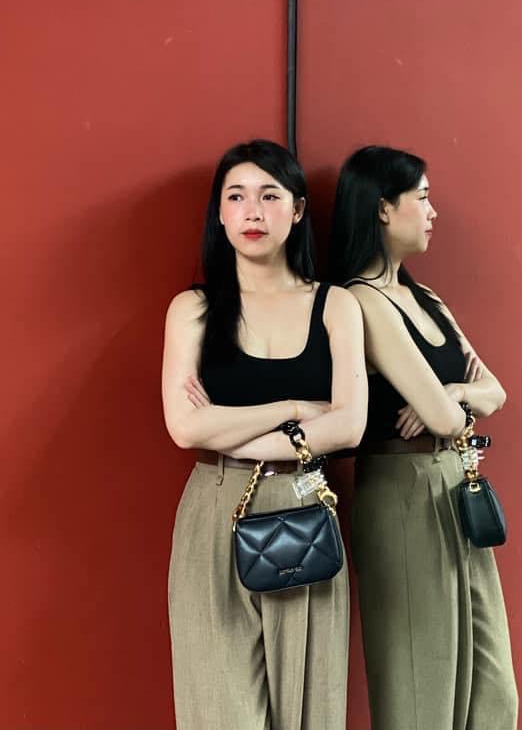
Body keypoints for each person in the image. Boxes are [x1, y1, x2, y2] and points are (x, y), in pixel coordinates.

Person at [162, 139, 367, 730]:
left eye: (270, 196)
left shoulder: (336, 305)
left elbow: (349, 424)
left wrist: (227, 430)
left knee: (309, 706)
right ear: (220, 213)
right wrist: (295, 408)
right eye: (237, 196)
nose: (253, 211)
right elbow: (184, 427)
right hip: (214, 508)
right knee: (216, 705)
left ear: (297, 210)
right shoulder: (193, 309)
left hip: (305, 504)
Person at [330, 145, 518, 730]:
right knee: (422, 690)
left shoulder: (427, 299)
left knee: (493, 691)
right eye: (424, 197)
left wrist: (457, 394)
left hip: (457, 483)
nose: (433, 212)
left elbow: (494, 392)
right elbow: (441, 417)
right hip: (401, 491)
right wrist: (455, 403)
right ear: (383, 208)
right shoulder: (362, 300)